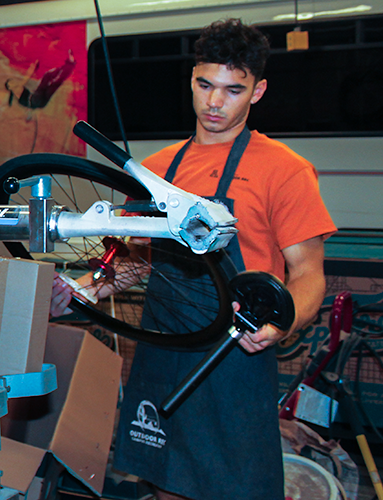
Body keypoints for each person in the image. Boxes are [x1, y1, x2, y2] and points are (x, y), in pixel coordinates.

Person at [50, 19, 335, 499]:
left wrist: (280, 326)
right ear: (192, 81)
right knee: (165, 482)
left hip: (236, 353)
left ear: (257, 91)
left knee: (237, 486)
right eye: (205, 85)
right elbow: (137, 261)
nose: (215, 102)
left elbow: (309, 274)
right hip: (162, 345)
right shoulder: (158, 170)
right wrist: (83, 288)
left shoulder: (285, 171)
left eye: (232, 89)